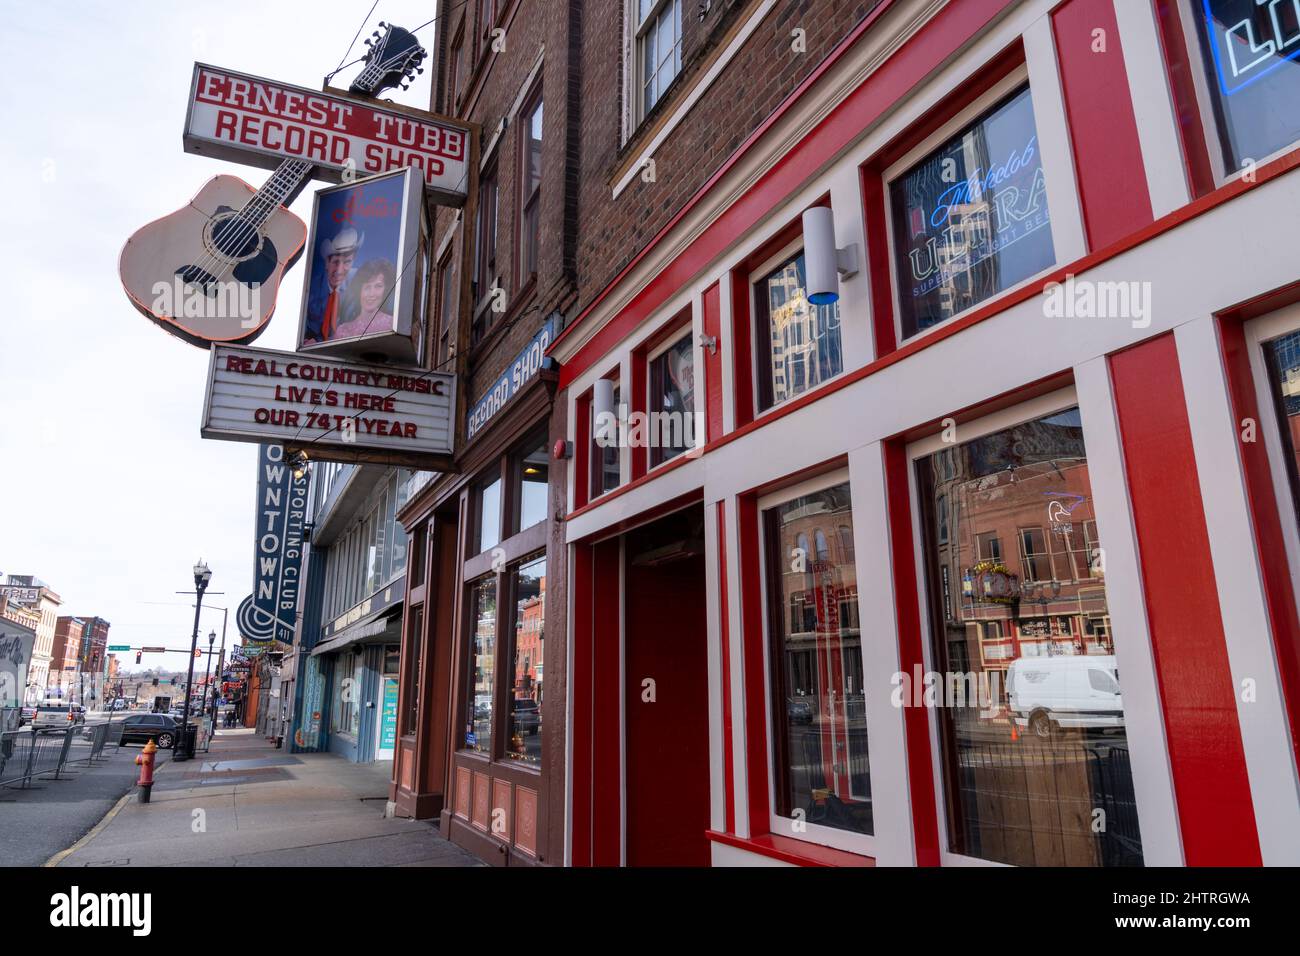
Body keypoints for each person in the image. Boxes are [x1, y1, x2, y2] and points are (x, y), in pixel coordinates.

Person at [303, 225, 364, 343]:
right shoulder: (311, 288)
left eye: (347, 262)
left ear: (353, 261)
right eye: (336, 262)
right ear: (327, 262)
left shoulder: (361, 283)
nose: (340, 270)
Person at [332, 258, 397, 340]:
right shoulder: (342, 330)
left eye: (378, 286)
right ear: (359, 291)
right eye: (367, 287)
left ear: (385, 290)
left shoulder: (392, 324)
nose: (371, 294)